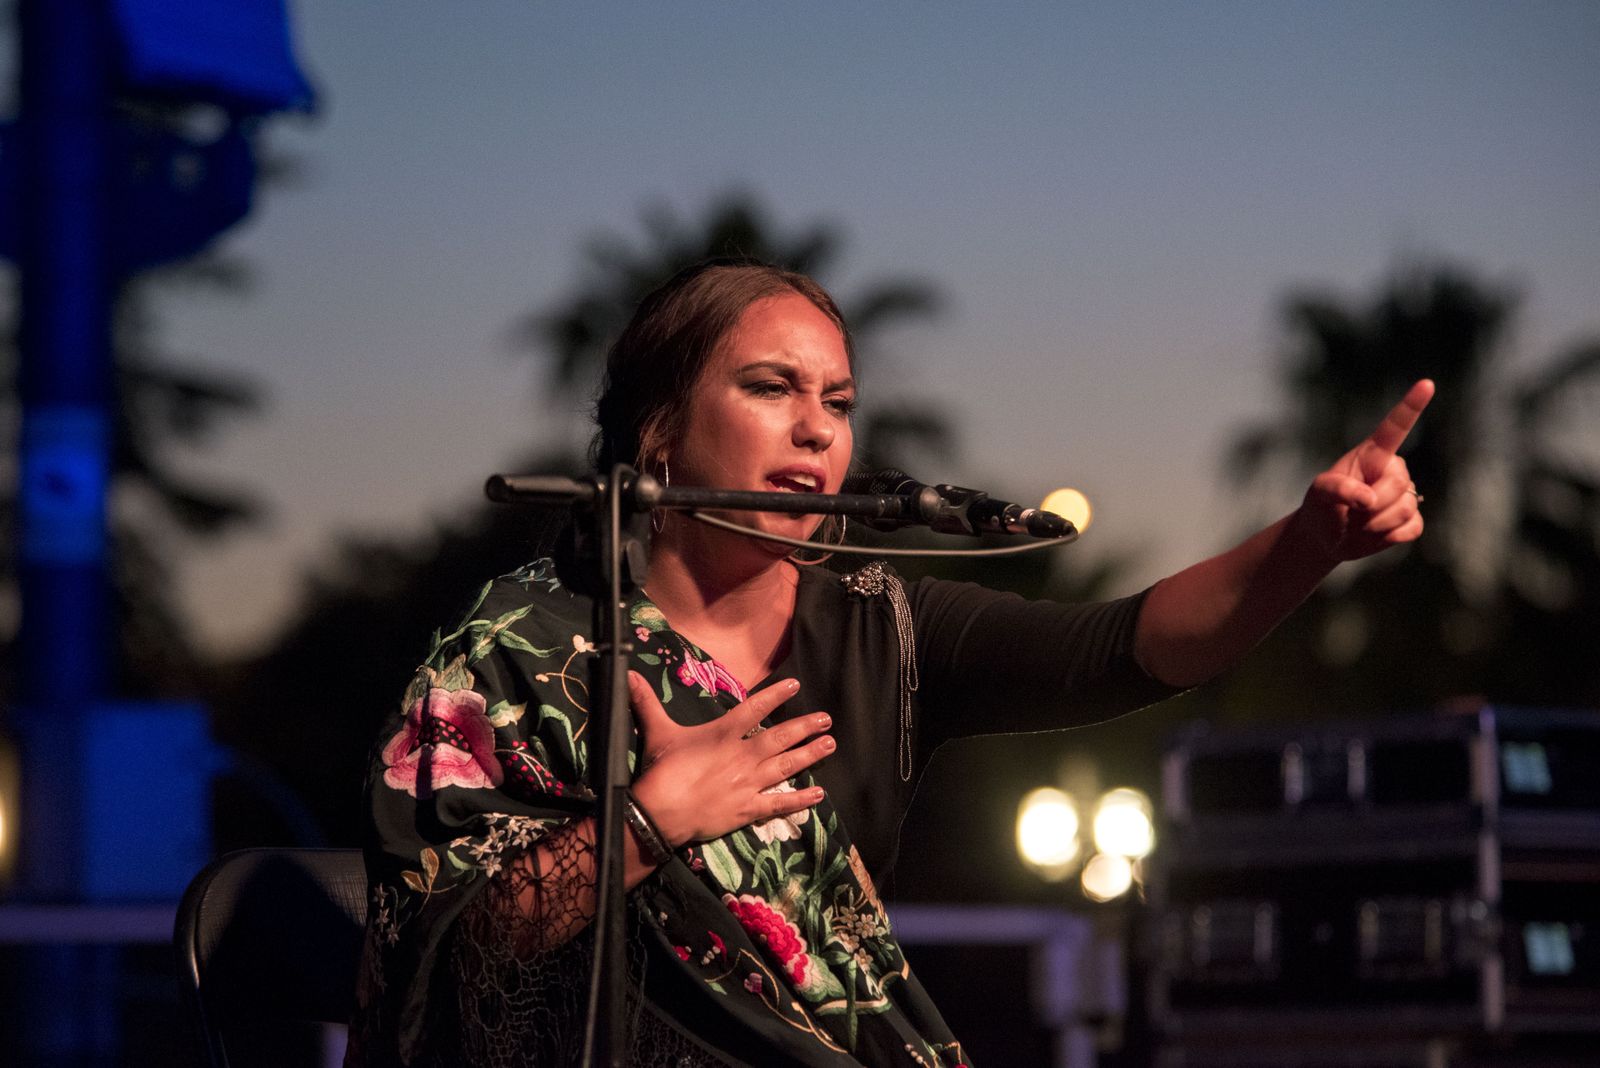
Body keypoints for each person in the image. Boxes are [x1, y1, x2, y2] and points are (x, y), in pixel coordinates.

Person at [348, 260, 1432, 1067]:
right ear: (661, 434)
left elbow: (1128, 646)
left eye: (839, 403)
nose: (818, 430)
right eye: (773, 388)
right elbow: (444, 950)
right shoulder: (519, 649)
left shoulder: (884, 629)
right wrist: (645, 823)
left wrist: (1309, 544)